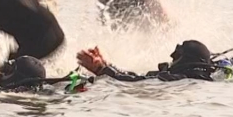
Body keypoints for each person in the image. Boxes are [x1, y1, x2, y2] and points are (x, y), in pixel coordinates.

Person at [77, 40, 218, 82]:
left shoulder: (176, 78)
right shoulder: (189, 77)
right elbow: (136, 76)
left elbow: (135, 82)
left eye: (176, 55)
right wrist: (108, 65)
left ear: (186, 60)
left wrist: (100, 70)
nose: (171, 56)